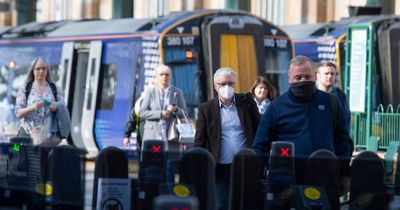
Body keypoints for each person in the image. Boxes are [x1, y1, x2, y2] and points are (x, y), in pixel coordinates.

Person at [252, 56, 352, 195]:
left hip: (326, 179)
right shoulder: (276, 107)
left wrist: (345, 174)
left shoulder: (331, 102)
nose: (303, 81)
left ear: (315, 76)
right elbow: (261, 144)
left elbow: (342, 140)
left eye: (307, 76)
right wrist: (255, 177)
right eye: (298, 77)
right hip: (287, 182)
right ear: (289, 79)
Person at [194, 67, 260, 210]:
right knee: (221, 205)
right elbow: (200, 140)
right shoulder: (206, 109)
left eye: (231, 83)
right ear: (215, 86)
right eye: (223, 84)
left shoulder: (246, 102)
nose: (227, 87)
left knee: (246, 204)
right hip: (220, 168)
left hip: (245, 165)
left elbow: (259, 128)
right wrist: (198, 166)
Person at [139, 64, 187, 183]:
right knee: (153, 166)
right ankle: (153, 193)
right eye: (161, 74)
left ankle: (169, 193)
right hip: (153, 136)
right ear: (157, 77)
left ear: (170, 77)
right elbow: (142, 113)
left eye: (167, 74)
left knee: (170, 166)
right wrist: (160, 114)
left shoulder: (177, 92)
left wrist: (176, 110)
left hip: (171, 136)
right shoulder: (150, 92)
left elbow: (185, 114)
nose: (164, 77)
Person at [15, 57, 68, 146]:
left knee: (40, 158)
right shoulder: (25, 89)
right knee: (16, 152)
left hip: (48, 137)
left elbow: (63, 108)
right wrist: (33, 107)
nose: (41, 71)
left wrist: (56, 107)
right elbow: (18, 113)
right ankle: (12, 156)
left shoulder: (55, 88)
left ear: (47, 71)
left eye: (44, 68)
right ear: (33, 70)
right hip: (26, 134)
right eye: (38, 69)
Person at [316, 61, 351, 133]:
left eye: (332, 74)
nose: (329, 76)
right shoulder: (310, 94)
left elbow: (346, 123)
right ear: (318, 76)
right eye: (326, 73)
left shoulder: (341, 96)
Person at [123, 80, 156, 149]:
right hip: (142, 142)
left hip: (158, 142)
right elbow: (131, 121)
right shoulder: (139, 104)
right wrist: (126, 136)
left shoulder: (164, 104)